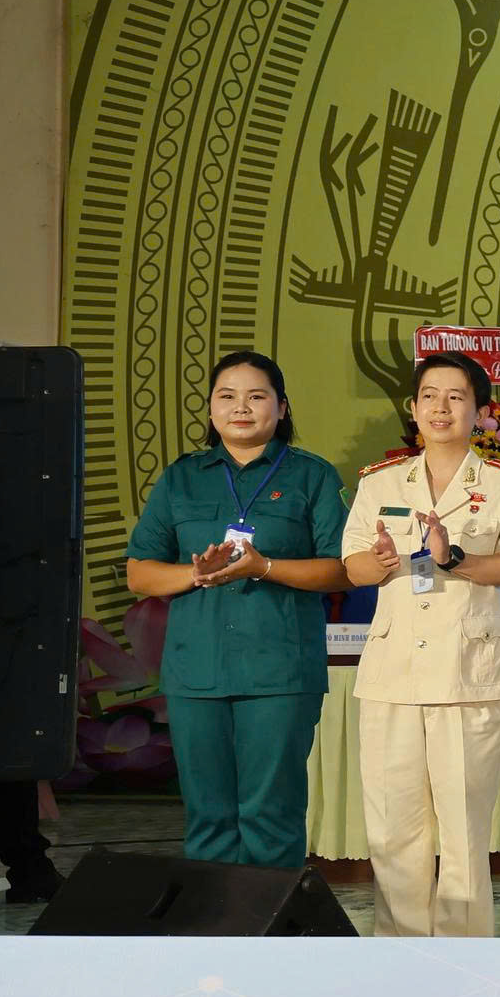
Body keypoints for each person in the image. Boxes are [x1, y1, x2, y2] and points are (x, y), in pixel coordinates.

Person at [123, 351, 349, 868]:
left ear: (282, 407)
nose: (240, 407)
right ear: (210, 409)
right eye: (227, 396)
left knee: (271, 814)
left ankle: (271, 918)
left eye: (256, 396)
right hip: (196, 672)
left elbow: (341, 570)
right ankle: (214, 917)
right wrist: (196, 574)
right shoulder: (182, 478)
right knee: (208, 816)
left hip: (279, 672)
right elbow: (140, 573)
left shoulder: (312, 476)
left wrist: (264, 567)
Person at [340, 354, 500, 937]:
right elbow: (352, 566)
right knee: (392, 828)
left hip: (467, 673)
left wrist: (453, 556)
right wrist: (379, 561)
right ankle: (399, 949)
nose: (441, 408)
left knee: (464, 831)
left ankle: (464, 953)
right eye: (430, 395)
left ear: (479, 411)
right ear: (413, 407)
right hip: (393, 674)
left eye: (456, 396)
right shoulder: (380, 482)